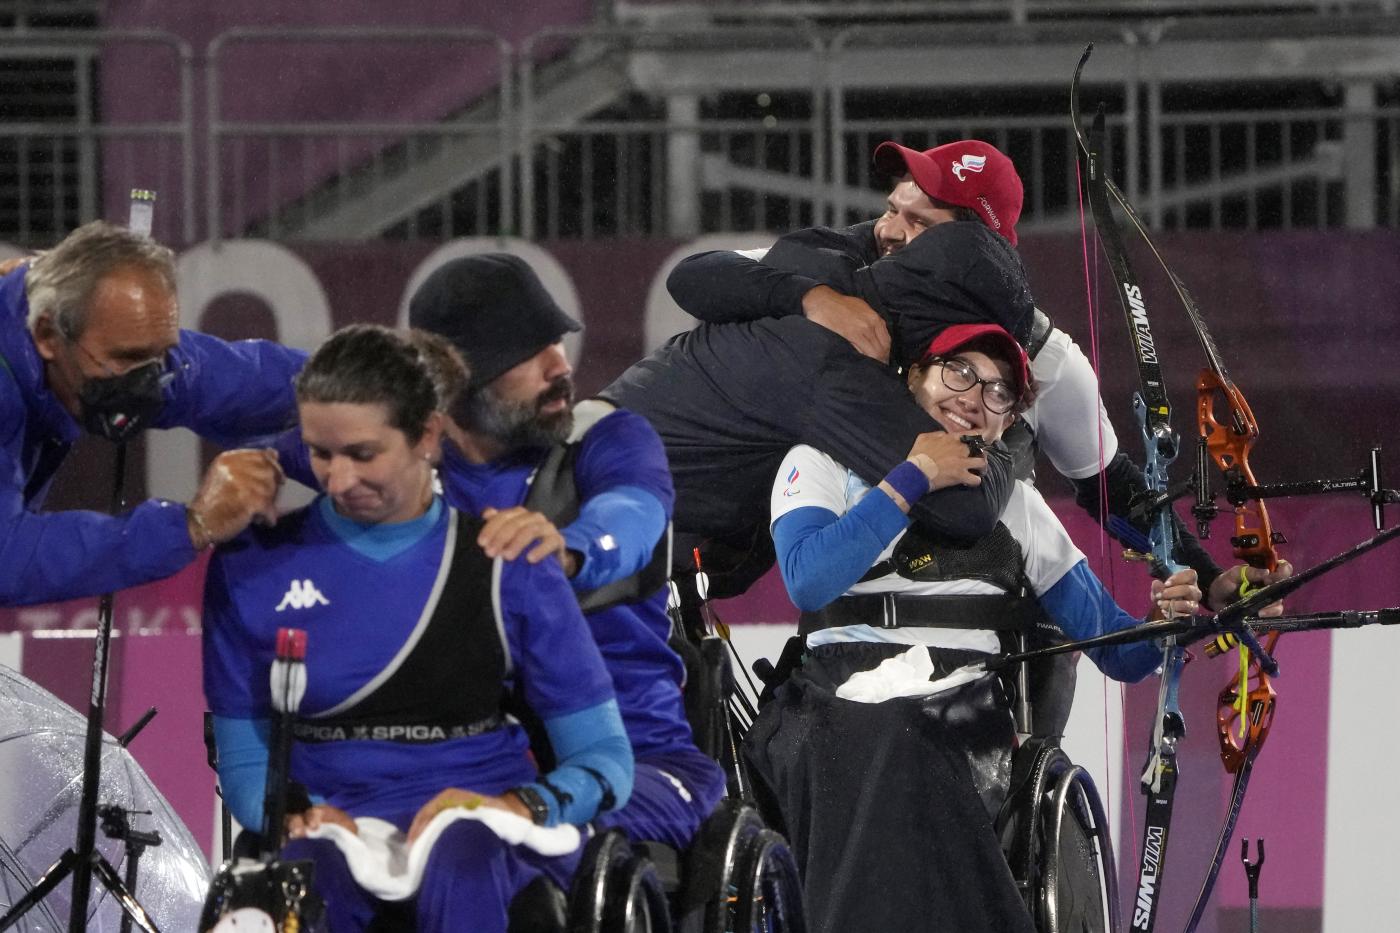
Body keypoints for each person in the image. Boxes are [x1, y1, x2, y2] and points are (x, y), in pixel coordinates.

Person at [664, 138, 1291, 728]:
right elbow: (696, 278)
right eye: (892, 209)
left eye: (919, 224)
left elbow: (1110, 487)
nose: (889, 232)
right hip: (834, 602)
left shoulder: (1046, 359)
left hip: (991, 636)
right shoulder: (852, 270)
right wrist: (813, 299)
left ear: (972, 247)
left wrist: (1207, 576)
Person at [744, 322, 1202, 933]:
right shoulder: (822, 462)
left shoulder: (1019, 507)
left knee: (909, 736)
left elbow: (1122, 653)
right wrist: (913, 477)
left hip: (962, 709)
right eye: (958, 371)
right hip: (828, 698)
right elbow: (808, 581)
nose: (973, 398)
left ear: (1007, 422)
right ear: (914, 375)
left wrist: (1163, 622)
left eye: (998, 392)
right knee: (880, 737)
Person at [203, 325, 633, 933]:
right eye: (320, 453)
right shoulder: (251, 564)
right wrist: (298, 813)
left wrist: (517, 805)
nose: (337, 480)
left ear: (428, 435)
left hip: (486, 829)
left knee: (462, 857)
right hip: (329, 826)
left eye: (362, 455)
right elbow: (246, 756)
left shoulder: (509, 561)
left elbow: (605, 759)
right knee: (312, 872)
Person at [406, 254, 727, 849]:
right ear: (452, 383)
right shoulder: (403, 476)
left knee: (501, 841)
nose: (560, 365)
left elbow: (633, 515)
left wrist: (571, 551)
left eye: (554, 341)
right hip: (473, 764)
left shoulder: (609, 438)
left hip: (641, 764)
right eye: (528, 353)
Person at [601, 216, 1035, 599]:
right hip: (600, 536)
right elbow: (967, 508)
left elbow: (691, 274)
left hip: (603, 499)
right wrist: (1007, 434)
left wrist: (809, 295)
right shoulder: (839, 369)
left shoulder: (818, 271)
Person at [0, 220, 300, 606]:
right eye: (130, 357)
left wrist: (351, 384)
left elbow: (228, 378)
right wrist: (191, 525)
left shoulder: (88, 338)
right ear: (46, 336)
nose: (148, 381)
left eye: (158, 355)